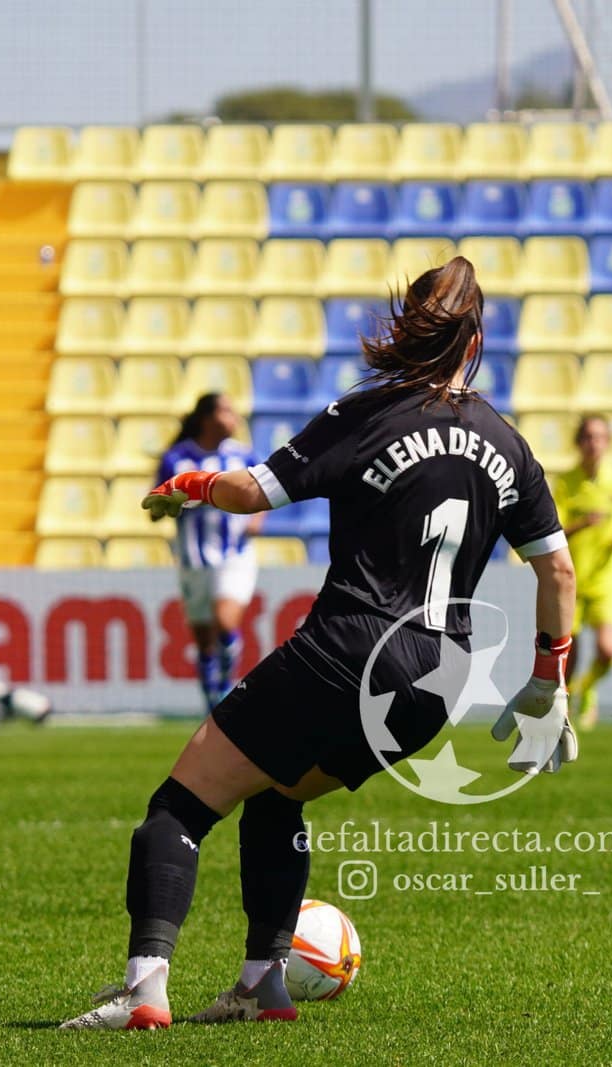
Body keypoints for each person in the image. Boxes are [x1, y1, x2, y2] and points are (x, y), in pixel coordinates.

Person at [61, 256, 578, 1030]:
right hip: (440, 681)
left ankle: (143, 993)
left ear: (407, 326)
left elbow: (247, 491)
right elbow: (559, 571)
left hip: (348, 649)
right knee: (278, 795)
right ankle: (261, 986)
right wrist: (548, 681)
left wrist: (187, 487)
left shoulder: (368, 413)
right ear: (478, 337)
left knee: (177, 806)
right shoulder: (508, 443)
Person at [153, 393, 262, 711]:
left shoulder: (243, 457)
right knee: (203, 640)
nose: (235, 417)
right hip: (193, 559)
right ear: (207, 418)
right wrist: (166, 504)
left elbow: (265, 492)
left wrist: (257, 519)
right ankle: (211, 704)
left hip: (235, 553)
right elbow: (155, 509)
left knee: (226, 623)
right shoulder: (177, 459)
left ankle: (227, 692)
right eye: (227, 411)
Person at [549, 413, 612, 731]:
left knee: (608, 649)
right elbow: (554, 530)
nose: (593, 444)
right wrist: (582, 524)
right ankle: (566, 714)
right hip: (572, 576)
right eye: (587, 437)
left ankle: (587, 689)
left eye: (599, 437)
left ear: (608, 442)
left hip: (606, 576)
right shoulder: (566, 483)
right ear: (578, 442)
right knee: (567, 655)